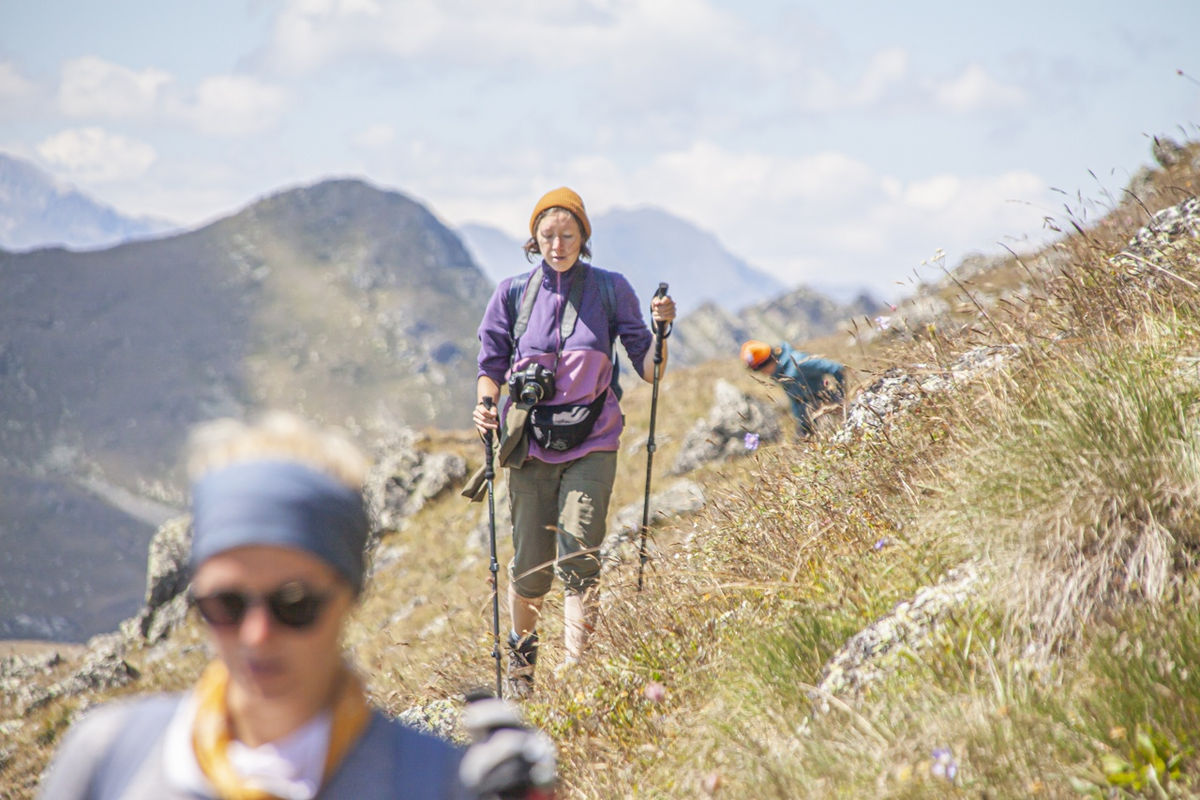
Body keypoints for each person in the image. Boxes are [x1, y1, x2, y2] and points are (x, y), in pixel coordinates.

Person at [38, 412, 543, 799]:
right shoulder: (104, 758)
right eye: (226, 604)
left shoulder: (440, 783)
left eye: (295, 604)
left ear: (350, 596)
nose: (257, 634)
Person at [472, 187, 676, 697]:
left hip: (594, 441)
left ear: (584, 237)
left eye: (567, 235)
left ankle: (575, 670)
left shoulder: (610, 290)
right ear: (533, 239)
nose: (557, 244)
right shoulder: (513, 293)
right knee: (529, 564)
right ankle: (521, 669)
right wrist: (484, 404)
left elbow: (648, 370)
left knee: (579, 553)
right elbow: (490, 365)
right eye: (547, 235)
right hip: (529, 445)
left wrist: (661, 331)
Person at [740, 339, 846, 436]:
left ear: (768, 362)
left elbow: (836, 368)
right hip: (810, 424)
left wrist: (841, 398)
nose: (763, 374)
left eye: (760, 370)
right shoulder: (781, 374)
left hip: (830, 416)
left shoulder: (799, 363)